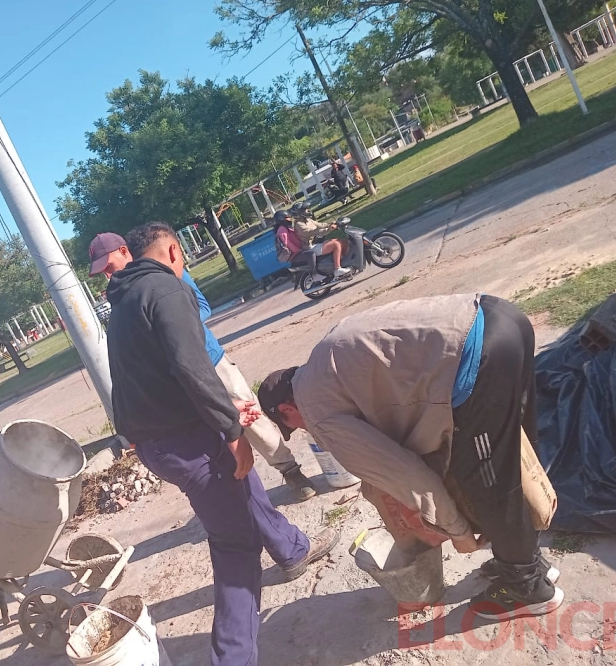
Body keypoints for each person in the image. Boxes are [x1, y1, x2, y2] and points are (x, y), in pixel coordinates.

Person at [105, 222, 338, 665]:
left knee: (244, 489)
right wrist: (232, 432)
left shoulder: (125, 303)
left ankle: (292, 549)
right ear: (173, 250)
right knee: (234, 546)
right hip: (187, 442)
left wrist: (226, 405)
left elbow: (160, 376)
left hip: (160, 439)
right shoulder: (168, 291)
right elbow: (193, 370)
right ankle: (233, 658)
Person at [257, 294, 565, 620]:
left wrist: (460, 535)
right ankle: (525, 559)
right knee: (510, 462)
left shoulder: (317, 411)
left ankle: (529, 588)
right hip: (500, 317)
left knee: (484, 480)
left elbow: (411, 477)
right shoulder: (324, 362)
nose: (303, 430)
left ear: (288, 408)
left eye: (292, 425)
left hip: (476, 356)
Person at [88, 231, 317, 501]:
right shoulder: (123, 295)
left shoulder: (162, 271)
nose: (109, 275)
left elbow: (201, 306)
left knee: (250, 419)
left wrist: (171, 323)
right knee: (208, 435)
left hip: (210, 361)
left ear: (125, 252)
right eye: (102, 272)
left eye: (109, 265)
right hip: (175, 376)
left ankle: (290, 470)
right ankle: (245, 495)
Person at [273, 210, 352, 278]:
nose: (290, 219)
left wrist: (330, 224)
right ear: (281, 219)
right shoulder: (282, 230)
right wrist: (299, 250)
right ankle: (318, 274)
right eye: (287, 218)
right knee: (312, 253)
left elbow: (319, 225)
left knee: (337, 241)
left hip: (301, 249)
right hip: (295, 253)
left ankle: (341, 262)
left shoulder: (288, 227)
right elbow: (288, 243)